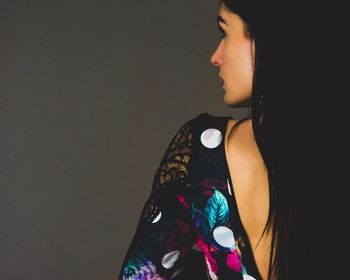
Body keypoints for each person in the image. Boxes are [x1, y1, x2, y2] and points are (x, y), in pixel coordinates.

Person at [119, 1, 346, 279]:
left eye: (224, 31)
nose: (216, 56)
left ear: (267, 38)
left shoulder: (201, 151)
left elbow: (140, 274)